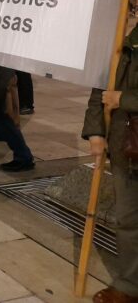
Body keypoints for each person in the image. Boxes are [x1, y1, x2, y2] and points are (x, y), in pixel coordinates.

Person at [84, 25, 138, 303]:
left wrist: (125, 99)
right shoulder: (121, 35)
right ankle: (130, 285)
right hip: (125, 147)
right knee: (128, 219)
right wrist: (95, 131)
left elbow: (116, 96)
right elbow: (101, 85)